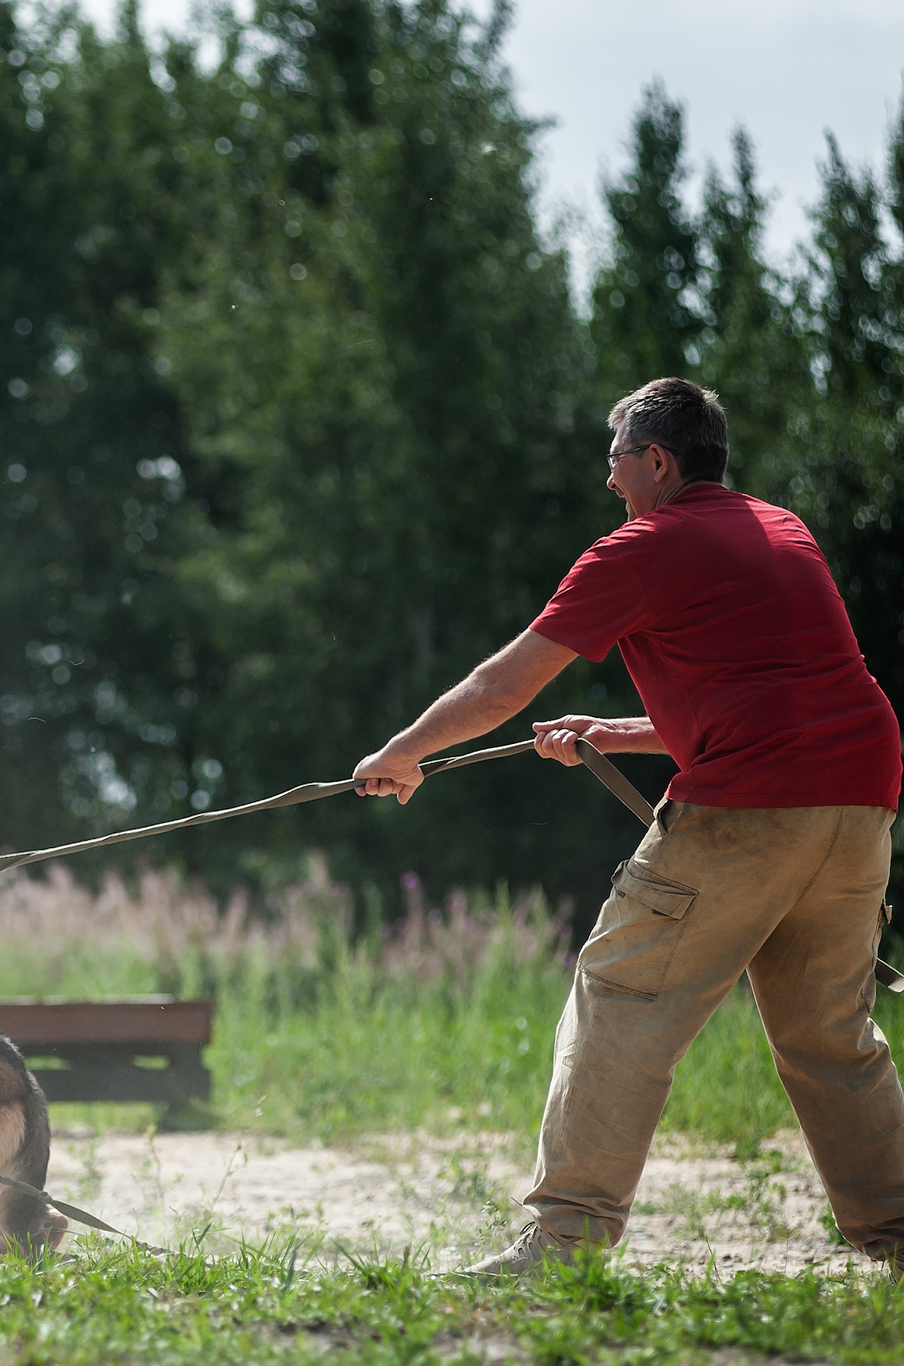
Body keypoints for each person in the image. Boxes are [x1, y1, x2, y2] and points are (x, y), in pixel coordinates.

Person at [353, 377, 904, 1276]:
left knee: (620, 999)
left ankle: (565, 1241)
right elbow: (777, 695)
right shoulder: (783, 531)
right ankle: (901, 1238)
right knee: (830, 1038)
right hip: (861, 803)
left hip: (750, 808)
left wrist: (401, 752)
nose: (610, 483)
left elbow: (502, 687)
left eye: (616, 461)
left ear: (656, 459)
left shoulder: (640, 548)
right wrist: (615, 734)